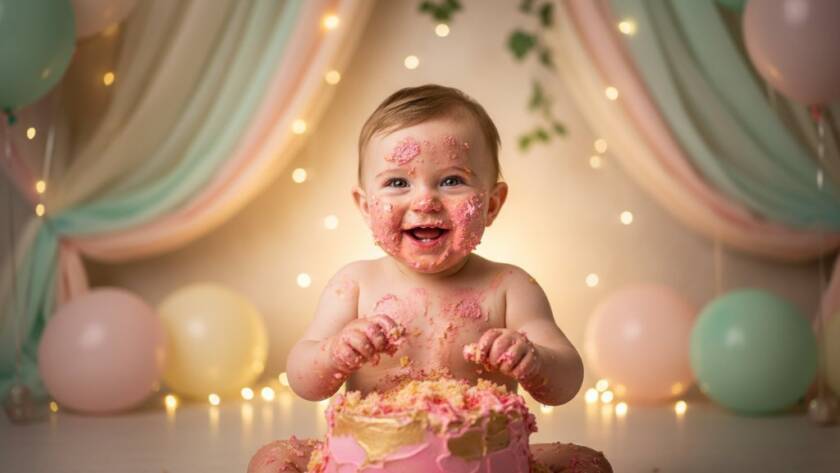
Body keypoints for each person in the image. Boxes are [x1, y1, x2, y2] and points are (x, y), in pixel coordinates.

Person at [249, 84, 612, 473]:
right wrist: (334, 353)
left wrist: (534, 359)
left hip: (481, 464)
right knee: (273, 460)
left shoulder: (510, 287)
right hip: (370, 462)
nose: (424, 201)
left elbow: (566, 382)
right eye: (397, 183)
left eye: (452, 180)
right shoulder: (354, 284)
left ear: (492, 204)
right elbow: (303, 379)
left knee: (587, 465)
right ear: (365, 206)